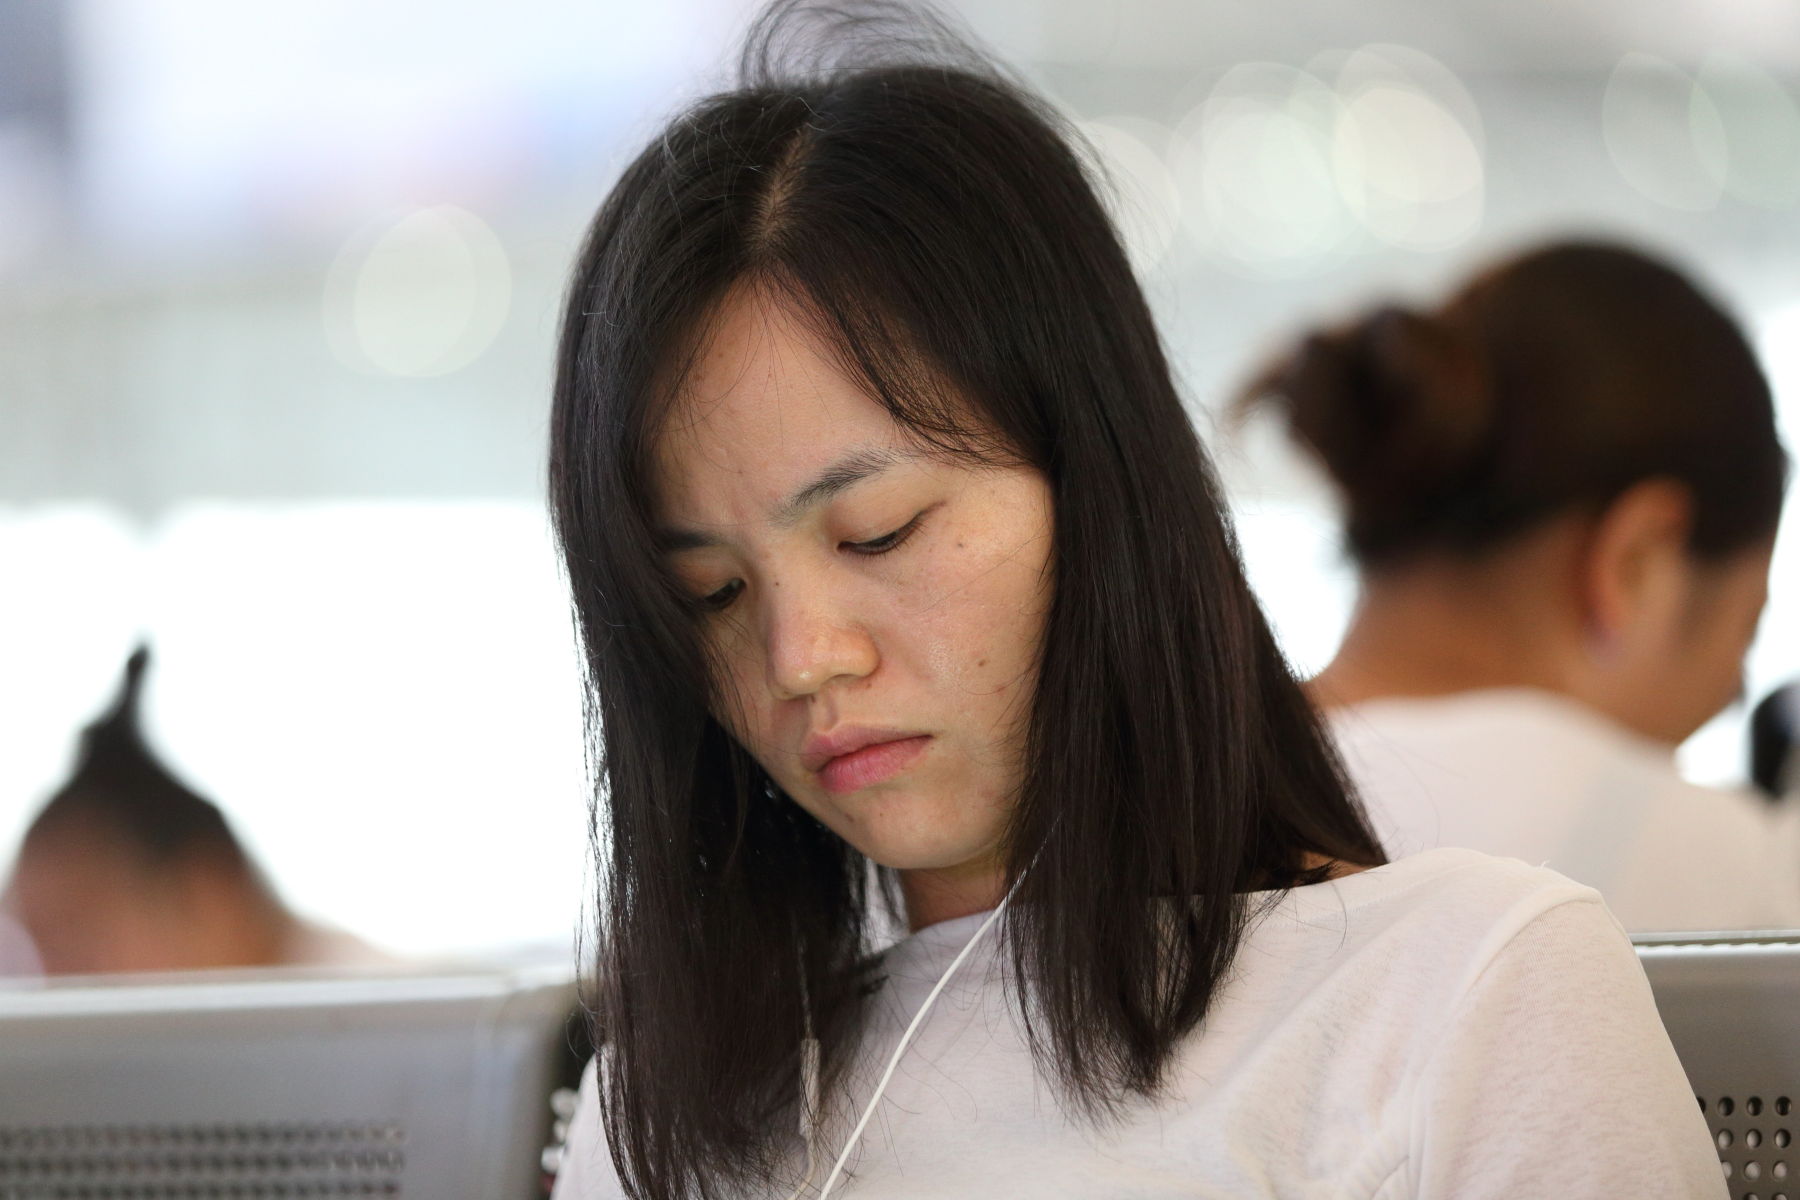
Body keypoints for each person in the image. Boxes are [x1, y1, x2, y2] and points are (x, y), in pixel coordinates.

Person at [546, 5, 1723, 1196]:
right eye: (710, 592)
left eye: (879, 531)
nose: (800, 657)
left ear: (1098, 485)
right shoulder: (668, 1104)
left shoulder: (1457, 996)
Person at [1242, 241, 1800, 933]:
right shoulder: (1732, 874)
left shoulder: (1163, 792)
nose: (1731, 697)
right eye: (1745, 631)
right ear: (1635, 561)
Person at [1, 646, 390, 975]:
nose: (52, 975)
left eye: (74, 931)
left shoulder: (381, 1017)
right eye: (33, 942)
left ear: (206, 893)